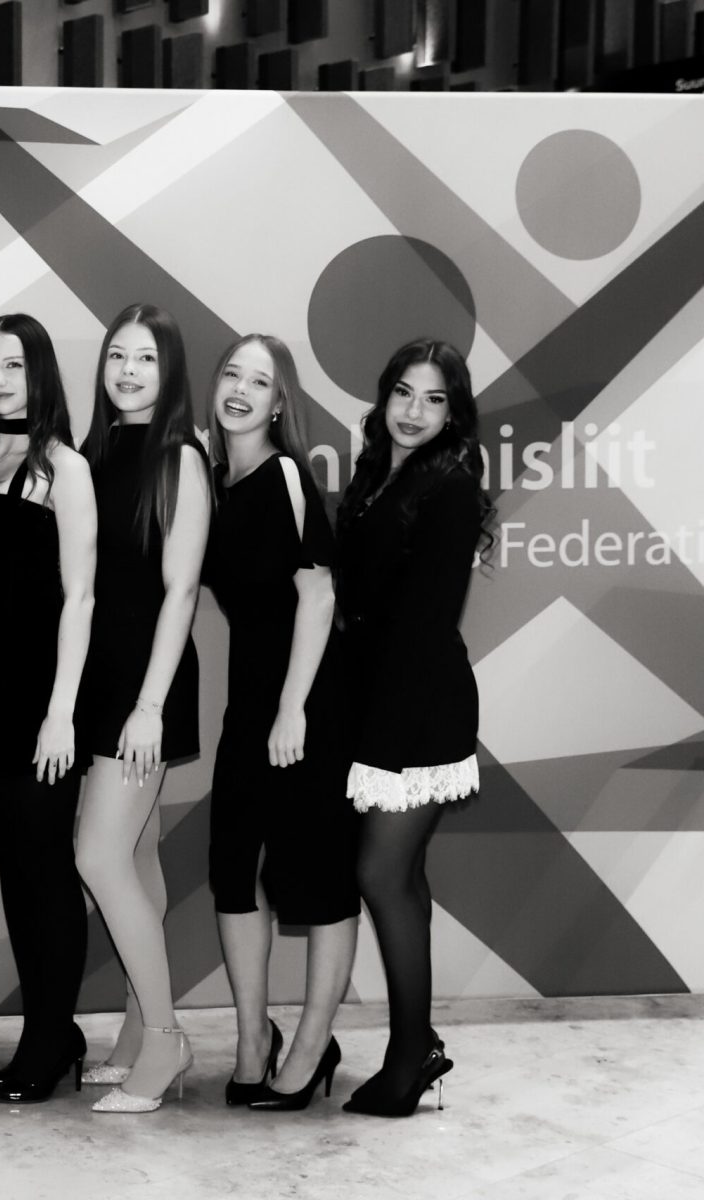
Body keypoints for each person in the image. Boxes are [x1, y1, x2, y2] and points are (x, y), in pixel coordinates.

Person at [199, 335, 358, 1113]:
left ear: (278, 403)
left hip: (306, 700)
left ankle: (312, 1044)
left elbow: (318, 595)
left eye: (259, 382)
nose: (241, 389)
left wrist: (294, 706)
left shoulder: (285, 475)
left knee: (318, 876)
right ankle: (251, 1040)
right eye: (232, 374)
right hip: (249, 699)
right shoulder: (213, 481)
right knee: (234, 870)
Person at [335, 339, 489, 1118]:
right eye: (403, 392)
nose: (414, 411)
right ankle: (416, 1041)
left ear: (453, 413)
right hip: (382, 699)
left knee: (381, 876)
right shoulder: (377, 473)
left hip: (419, 709)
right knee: (403, 879)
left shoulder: (451, 485)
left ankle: (409, 1055)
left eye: (434, 399)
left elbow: (425, 624)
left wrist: (382, 750)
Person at [73, 303, 209, 1114]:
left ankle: (164, 1041)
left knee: (97, 856)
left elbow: (181, 590)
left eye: (146, 359)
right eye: (118, 356)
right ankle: (134, 1032)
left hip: (144, 688)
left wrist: (150, 705)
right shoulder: (92, 453)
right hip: (97, 682)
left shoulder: (179, 457)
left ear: (170, 373)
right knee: (137, 858)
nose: (127, 371)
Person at [0, 314, 97, 1105]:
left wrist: (62, 713)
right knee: (15, 869)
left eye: (13, 365)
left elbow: (80, 597)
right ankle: (53, 1029)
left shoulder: (64, 467)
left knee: (45, 870)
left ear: (39, 371)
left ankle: (50, 1034)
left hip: (42, 701)